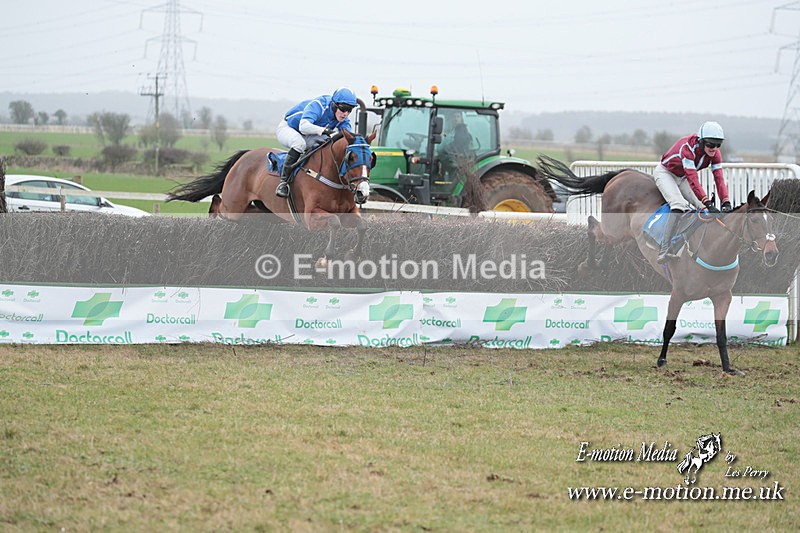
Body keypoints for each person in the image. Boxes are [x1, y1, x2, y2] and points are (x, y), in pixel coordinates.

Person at [653, 120, 732, 263]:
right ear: (701, 141)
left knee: (704, 211)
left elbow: (719, 178)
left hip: (682, 176)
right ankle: (664, 250)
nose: (714, 148)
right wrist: (708, 202)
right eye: (710, 144)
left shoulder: (715, 154)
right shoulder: (687, 148)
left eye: (718, 144)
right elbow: (693, 180)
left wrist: (726, 202)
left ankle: (696, 246)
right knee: (679, 205)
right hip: (666, 173)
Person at [274, 87, 358, 197]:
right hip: (289, 128)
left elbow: (348, 138)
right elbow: (303, 126)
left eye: (349, 110)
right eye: (343, 109)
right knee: (299, 144)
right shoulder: (319, 105)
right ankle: (283, 182)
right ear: (334, 104)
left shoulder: (343, 119)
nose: (345, 114)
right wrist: (326, 131)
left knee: (327, 143)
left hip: (309, 134)